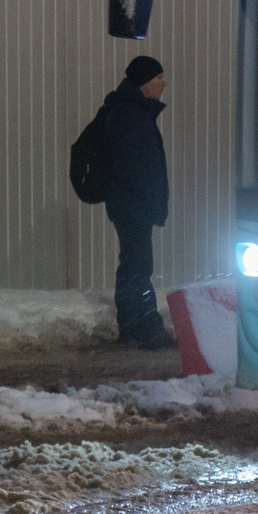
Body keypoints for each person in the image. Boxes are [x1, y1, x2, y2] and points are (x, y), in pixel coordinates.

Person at [93, 55, 174, 350]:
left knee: (132, 266)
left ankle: (130, 326)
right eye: (157, 79)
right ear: (142, 84)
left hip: (131, 205)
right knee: (139, 267)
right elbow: (132, 167)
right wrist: (146, 201)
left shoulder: (132, 112)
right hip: (133, 206)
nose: (163, 84)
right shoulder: (129, 115)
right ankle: (148, 329)